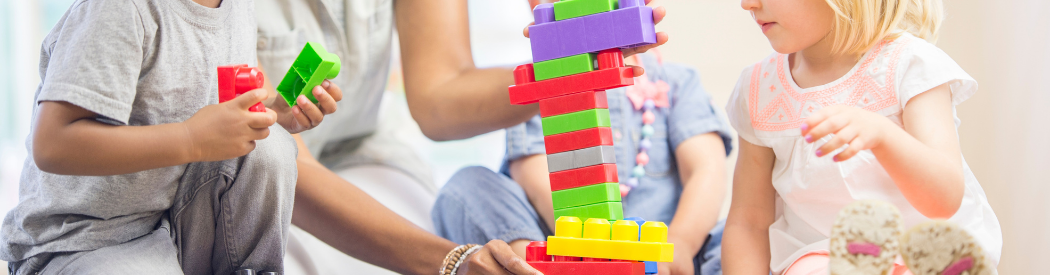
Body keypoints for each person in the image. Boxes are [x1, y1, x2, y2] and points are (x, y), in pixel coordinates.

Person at [255, 0, 668, 274]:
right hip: (256, 165)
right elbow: (282, 161)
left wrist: (566, 67)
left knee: (417, 222)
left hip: (362, 146)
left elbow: (440, 97)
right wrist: (456, 261)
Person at [0, 0, 343, 274]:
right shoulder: (122, 9)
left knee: (270, 147)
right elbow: (52, 144)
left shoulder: (237, 7)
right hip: (81, 240)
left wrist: (273, 110)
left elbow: (214, 113)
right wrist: (189, 139)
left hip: (173, 220)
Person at [721, 0, 1002, 274]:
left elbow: (944, 199)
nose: (747, 4)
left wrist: (883, 135)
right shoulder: (758, 90)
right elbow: (749, 221)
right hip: (820, 256)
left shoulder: (909, 63)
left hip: (924, 249)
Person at [432, 53, 734, 275]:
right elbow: (533, 175)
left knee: (734, 240)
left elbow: (706, 168)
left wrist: (680, 244)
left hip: (666, 256)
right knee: (470, 186)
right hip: (562, 247)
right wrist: (592, 249)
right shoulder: (539, 81)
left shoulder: (679, 81)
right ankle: (522, 267)